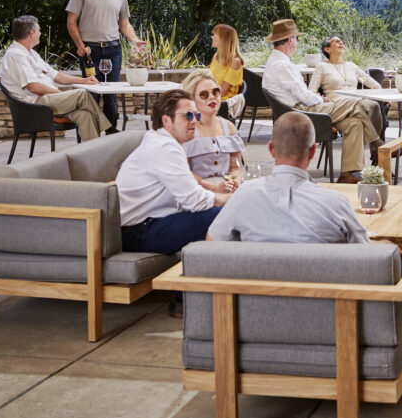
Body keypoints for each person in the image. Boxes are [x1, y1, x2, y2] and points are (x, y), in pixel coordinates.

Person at [116, 89, 231, 316]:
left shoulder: (164, 142)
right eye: (187, 116)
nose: (194, 121)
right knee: (221, 215)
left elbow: (189, 196)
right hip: (139, 231)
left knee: (210, 225)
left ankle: (188, 297)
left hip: (149, 224)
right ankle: (187, 298)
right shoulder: (165, 148)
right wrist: (230, 201)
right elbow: (195, 201)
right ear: (166, 120)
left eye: (196, 116)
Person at [206, 112, 372, 245]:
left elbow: (212, 242)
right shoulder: (335, 203)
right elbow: (365, 255)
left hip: (259, 285)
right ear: (312, 151)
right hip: (315, 286)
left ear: (271, 149)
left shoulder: (243, 196)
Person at [261, 19, 382, 184]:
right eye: (296, 38)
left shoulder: (277, 62)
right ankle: (379, 145)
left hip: (301, 108)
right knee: (358, 104)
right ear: (290, 40)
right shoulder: (282, 65)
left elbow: (302, 93)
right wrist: (320, 98)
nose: (297, 42)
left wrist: (319, 98)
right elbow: (303, 94)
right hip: (302, 112)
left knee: (354, 123)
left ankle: (347, 174)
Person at [66, 0, 146, 129]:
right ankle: (89, 140)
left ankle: (110, 140)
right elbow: (71, 21)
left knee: (111, 95)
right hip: (89, 51)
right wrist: (79, 45)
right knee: (92, 94)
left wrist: (135, 40)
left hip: (113, 49)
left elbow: (124, 23)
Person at [0, 15, 112, 141]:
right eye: (39, 30)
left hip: (45, 100)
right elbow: (33, 86)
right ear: (31, 33)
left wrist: (84, 80)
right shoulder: (16, 55)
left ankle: (95, 155)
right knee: (82, 94)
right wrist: (59, 93)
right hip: (34, 105)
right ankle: (109, 131)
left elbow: (55, 75)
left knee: (84, 115)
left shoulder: (31, 53)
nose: (40, 33)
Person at [308, 35, 387, 140]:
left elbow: (374, 84)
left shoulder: (351, 65)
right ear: (327, 49)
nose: (341, 43)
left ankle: (378, 147)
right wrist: (321, 98)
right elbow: (311, 91)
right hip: (338, 104)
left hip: (357, 100)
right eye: (337, 41)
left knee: (374, 105)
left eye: (342, 41)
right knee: (367, 106)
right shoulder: (322, 66)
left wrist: (382, 95)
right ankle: (378, 147)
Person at [181, 69, 244, 193]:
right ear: (192, 99)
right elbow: (183, 172)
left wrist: (236, 179)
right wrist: (213, 188)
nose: (212, 97)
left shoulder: (229, 127)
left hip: (227, 191)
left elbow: (236, 167)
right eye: (204, 95)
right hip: (197, 193)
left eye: (216, 92)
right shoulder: (187, 129)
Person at [209, 23, 246, 119]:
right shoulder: (216, 57)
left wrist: (202, 96)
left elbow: (223, 91)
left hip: (222, 104)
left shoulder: (235, 62)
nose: (212, 37)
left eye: (214, 35)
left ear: (223, 39)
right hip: (213, 97)